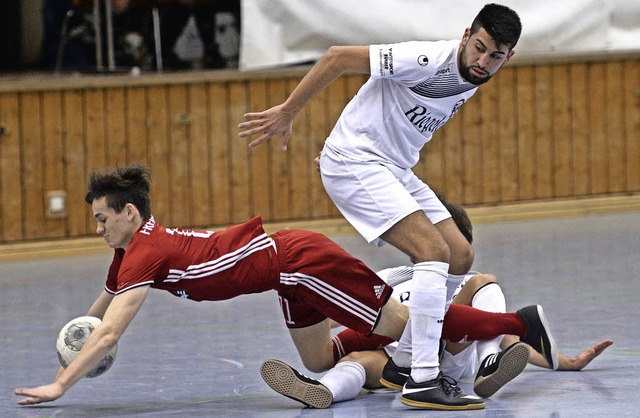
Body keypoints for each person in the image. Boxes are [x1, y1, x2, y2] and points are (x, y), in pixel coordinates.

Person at [15, 165, 553, 409]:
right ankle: (375, 363)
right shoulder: (131, 249)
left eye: (102, 218)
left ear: (129, 212)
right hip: (285, 276)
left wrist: (63, 386)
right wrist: (69, 356)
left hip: (299, 261)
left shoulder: (146, 252)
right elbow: (98, 313)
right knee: (319, 359)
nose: (98, 227)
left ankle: (517, 325)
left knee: (404, 326)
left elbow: (108, 334)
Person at [238, 3, 522, 409]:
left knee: (459, 254)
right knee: (432, 252)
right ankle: (423, 377)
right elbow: (337, 58)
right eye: (478, 47)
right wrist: (289, 112)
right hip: (359, 162)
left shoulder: (474, 77)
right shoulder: (424, 60)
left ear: (507, 58)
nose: (482, 61)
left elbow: (380, 112)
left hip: (393, 167)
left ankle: (412, 349)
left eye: (494, 56)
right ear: (465, 37)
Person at [258, 199, 613, 408]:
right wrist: (324, 325)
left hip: (448, 348)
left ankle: (490, 363)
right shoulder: (395, 275)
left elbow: (506, 339)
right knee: (357, 360)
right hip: (397, 363)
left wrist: (560, 361)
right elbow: (350, 309)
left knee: (482, 282)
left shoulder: (461, 281)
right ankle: (322, 392)